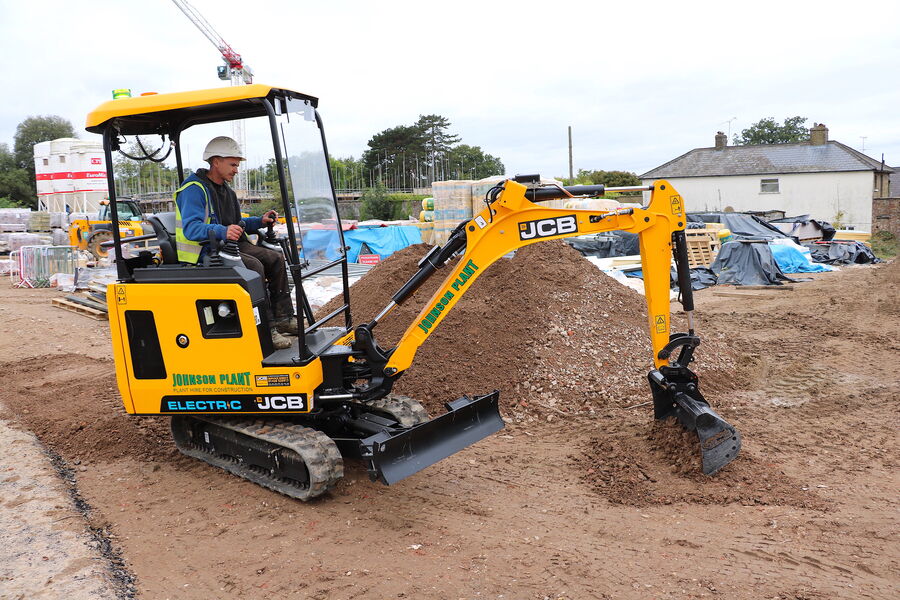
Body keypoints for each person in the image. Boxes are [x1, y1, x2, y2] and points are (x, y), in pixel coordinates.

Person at [174, 136, 296, 350]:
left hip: (227, 245)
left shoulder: (226, 192)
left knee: (275, 258)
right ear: (216, 162)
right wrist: (223, 231)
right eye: (232, 165)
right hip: (204, 252)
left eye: (237, 165)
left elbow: (235, 224)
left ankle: (283, 318)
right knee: (254, 267)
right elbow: (191, 229)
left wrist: (259, 221)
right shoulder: (194, 189)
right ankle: (268, 330)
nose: (236, 170)